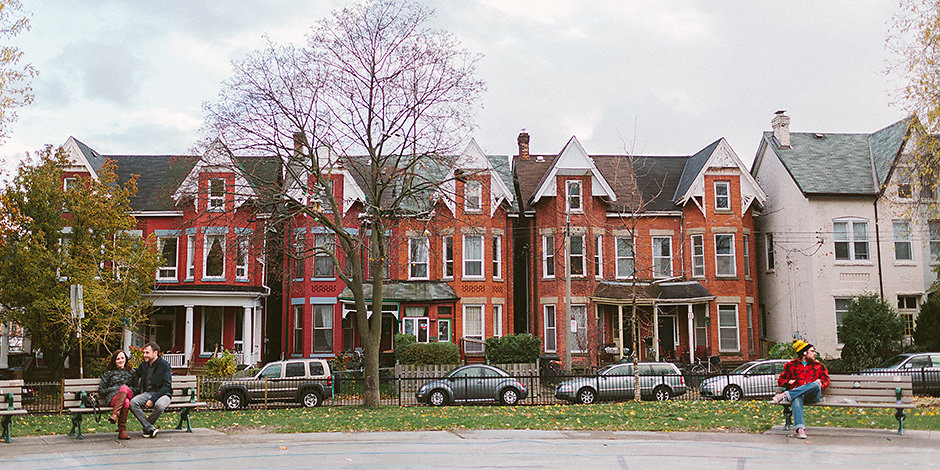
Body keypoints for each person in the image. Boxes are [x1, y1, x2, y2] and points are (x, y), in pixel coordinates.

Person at [772, 339, 830, 439]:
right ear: (804, 353)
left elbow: (826, 380)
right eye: (812, 351)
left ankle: (785, 395)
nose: (814, 353)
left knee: (815, 384)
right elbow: (781, 380)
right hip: (799, 395)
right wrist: (788, 382)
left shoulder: (818, 365)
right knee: (797, 397)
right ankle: (800, 429)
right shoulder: (791, 365)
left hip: (813, 395)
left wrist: (821, 384)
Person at [129, 341, 172, 438]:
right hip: (147, 393)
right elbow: (135, 373)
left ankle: (147, 427)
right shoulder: (144, 365)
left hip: (163, 394)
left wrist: (152, 400)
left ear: (155, 353)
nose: (144, 355)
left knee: (160, 405)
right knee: (133, 403)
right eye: (144, 352)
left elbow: (167, 386)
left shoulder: (164, 365)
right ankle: (149, 428)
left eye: (147, 353)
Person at [97, 349, 134, 440]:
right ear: (114, 361)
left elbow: (137, 388)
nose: (121, 360)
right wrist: (117, 389)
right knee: (125, 402)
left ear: (126, 359)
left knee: (124, 387)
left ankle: (114, 414)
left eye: (122, 358)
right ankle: (122, 431)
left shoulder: (131, 373)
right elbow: (101, 391)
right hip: (113, 398)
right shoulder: (109, 374)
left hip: (129, 393)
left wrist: (123, 389)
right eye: (118, 359)